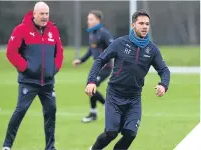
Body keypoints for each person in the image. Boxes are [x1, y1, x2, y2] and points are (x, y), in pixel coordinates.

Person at [85, 10, 170, 150]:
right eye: (141, 23)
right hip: (114, 95)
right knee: (111, 133)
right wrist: (91, 81)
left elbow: (164, 70)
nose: (144, 26)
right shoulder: (120, 43)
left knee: (130, 134)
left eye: (147, 24)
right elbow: (100, 60)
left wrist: (163, 85)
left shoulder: (152, 49)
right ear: (133, 25)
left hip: (134, 98)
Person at [2, 2, 63, 150]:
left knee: (51, 112)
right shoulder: (21, 29)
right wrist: (26, 68)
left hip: (48, 83)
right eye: (41, 14)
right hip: (28, 81)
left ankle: (50, 147)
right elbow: (11, 52)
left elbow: (59, 52)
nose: (44, 17)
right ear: (34, 14)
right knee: (20, 111)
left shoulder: (53, 30)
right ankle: (7, 145)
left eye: (47, 14)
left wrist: (54, 68)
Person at [72, 10, 114, 123]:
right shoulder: (92, 33)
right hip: (96, 68)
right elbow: (91, 50)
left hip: (105, 67)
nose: (88, 21)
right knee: (90, 88)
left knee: (90, 86)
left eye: (91, 19)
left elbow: (113, 47)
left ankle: (108, 106)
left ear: (98, 20)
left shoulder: (104, 33)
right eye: (88, 19)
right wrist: (80, 60)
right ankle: (93, 113)